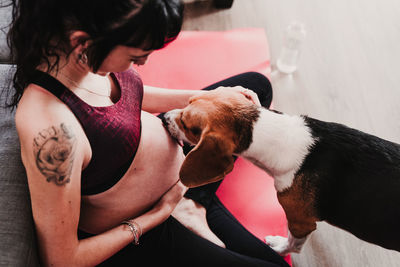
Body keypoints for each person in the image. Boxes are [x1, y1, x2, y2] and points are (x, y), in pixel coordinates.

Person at [7, 0, 290, 266]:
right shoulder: (53, 129)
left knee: (254, 88)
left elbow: (128, 96)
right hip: (147, 220)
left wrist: (208, 97)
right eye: (135, 56)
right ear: (83, 41)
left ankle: (195, 202)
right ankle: (185, 207)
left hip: (182, 179)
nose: (141, 64)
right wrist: (157, 214)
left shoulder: (77, 51)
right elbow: (62, 260)